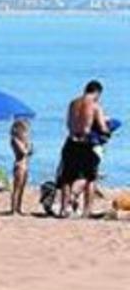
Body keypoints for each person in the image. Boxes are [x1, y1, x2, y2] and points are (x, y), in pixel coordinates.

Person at [57, 80, 109, 219]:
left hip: (71, 141)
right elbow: (103, 128)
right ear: (97, 92)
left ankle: (64, 209)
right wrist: (107, 129)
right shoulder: (95, 105)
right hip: (86, 143)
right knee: (90, 177)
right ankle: (87, 211)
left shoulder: (73, 103)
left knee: (67, 177)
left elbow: (69, 124)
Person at [10, 118, 33, 215]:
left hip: (25, 165)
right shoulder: (15, 140)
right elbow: (23, 152)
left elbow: (30, 151)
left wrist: (28, 145)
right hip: (19, 165)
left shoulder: (23, 141)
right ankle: (14, 209)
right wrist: (27, 148)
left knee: (22, 188)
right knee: (17, 188)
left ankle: (18, 207)